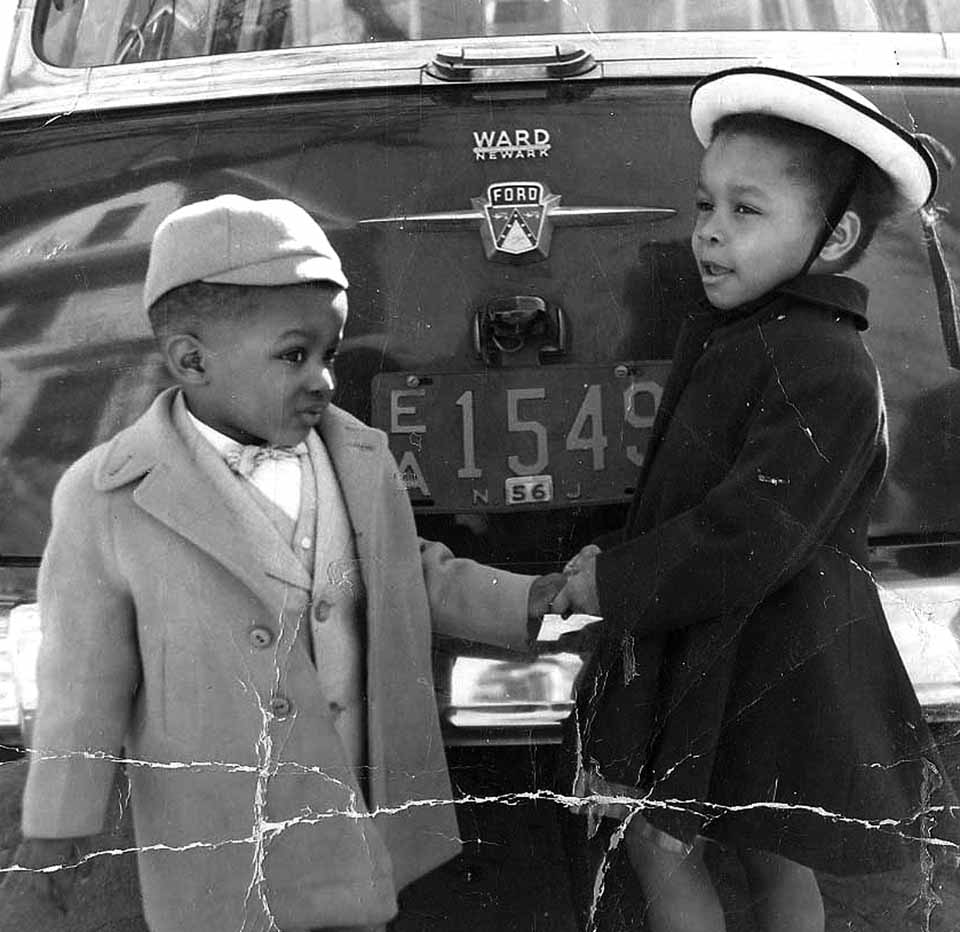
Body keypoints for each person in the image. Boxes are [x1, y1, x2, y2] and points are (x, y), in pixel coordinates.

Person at [14, 194, 564, 932]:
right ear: (191, 361)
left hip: (355, 811)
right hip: (221, 837)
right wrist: (59, 819)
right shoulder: (109, 495)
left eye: (329, 355)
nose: (325, 380)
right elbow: (83, 673)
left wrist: (526, 599)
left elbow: (405, 572)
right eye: (294, 355)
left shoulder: (359, 456)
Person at [553, 66, 957, 932]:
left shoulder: (824, 362)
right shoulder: (751, 334)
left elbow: (749, 530)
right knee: (759, 844)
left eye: (747, 211)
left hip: (759, 646)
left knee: (662, 838)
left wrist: (612, 582)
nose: (710, 231)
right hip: (728, 633)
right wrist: (618, 557)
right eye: (706, 204)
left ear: (835, 235)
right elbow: (692, 498)